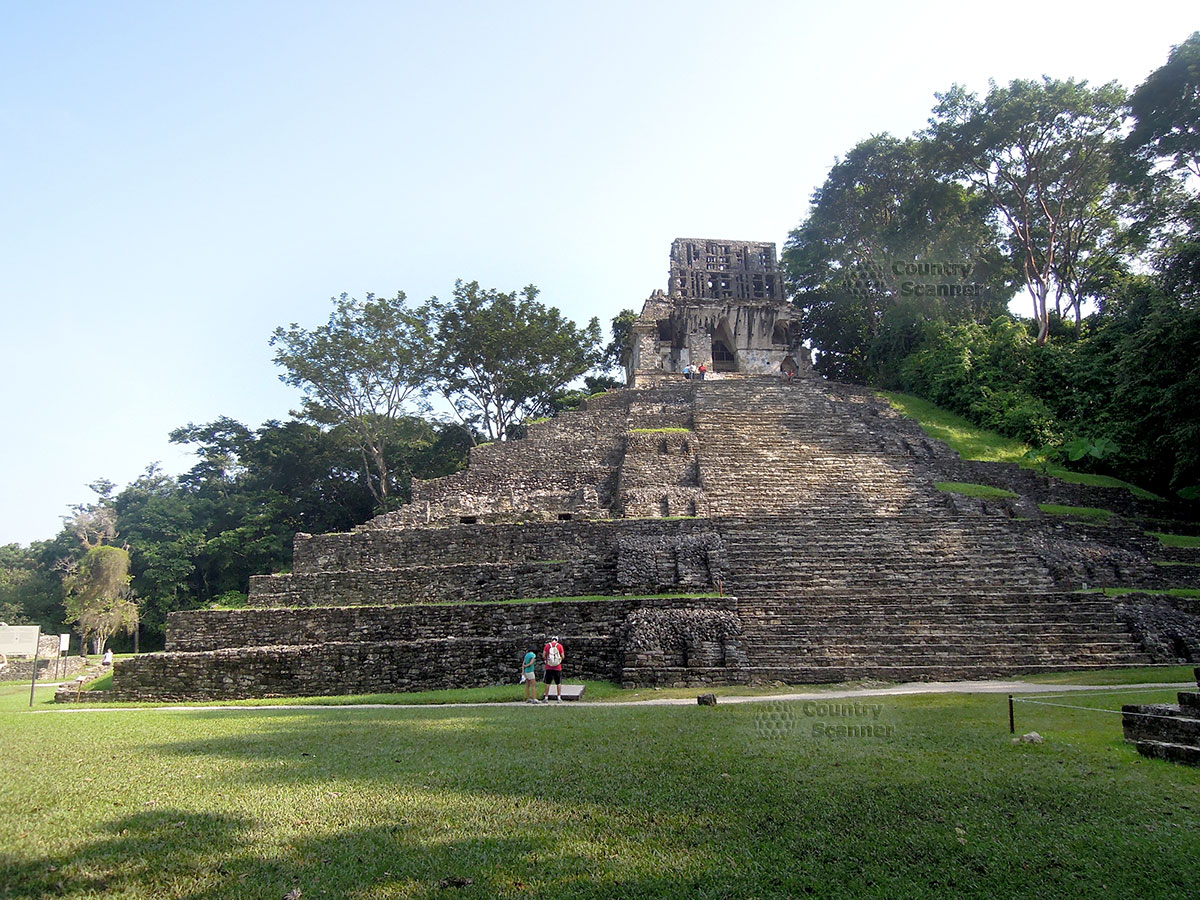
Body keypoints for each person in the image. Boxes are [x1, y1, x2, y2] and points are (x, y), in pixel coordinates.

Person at [542, 635, 565, 702]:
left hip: (549, 667)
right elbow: (563, 656)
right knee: (558, 683)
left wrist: (547, 660)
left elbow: (544, 655)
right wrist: (559, 660)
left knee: (548, 683)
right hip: (558, 667)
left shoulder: (547, 646)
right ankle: (559, 698)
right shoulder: (559, 646)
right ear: (557, 640)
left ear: (551, 639)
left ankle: (546, 698)